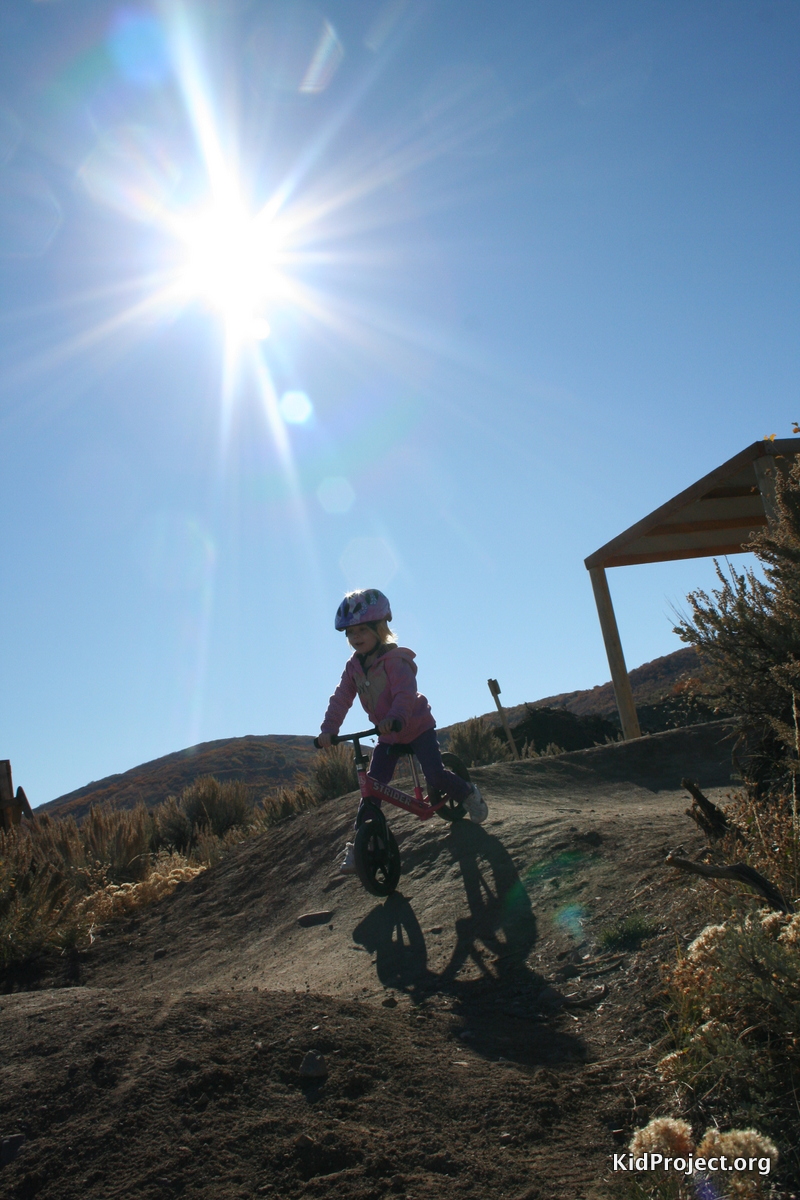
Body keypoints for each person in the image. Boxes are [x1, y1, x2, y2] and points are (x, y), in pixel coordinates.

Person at [317, 588, 488, 874]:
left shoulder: (395, 661)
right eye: (350, 632)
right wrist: (328, 730)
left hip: (416, 726)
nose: (356, 636)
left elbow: (405, 693)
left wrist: (395, 716)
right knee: (371, 788)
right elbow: (341, 699)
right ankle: (363, 844)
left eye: (362, 629)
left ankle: (468, 793)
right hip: (389, 735)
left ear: (379, 628)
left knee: (435, 775)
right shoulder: (353, 668)